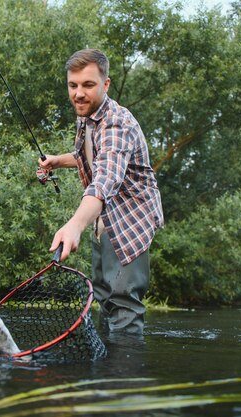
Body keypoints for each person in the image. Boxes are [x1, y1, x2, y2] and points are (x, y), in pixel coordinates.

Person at [39, 49, 164, 334]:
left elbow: (105, 179)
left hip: (130, 221)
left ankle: (122, 375)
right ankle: (104, 373)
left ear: (106, 85)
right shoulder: (87, 116)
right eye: (73, 85)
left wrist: (74, 225)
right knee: (104, 298)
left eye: (88, 85)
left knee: (123, 306)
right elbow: (91, 154)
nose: (79, 94)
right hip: (104, 219)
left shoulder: (117, 122)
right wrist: (58, 161)